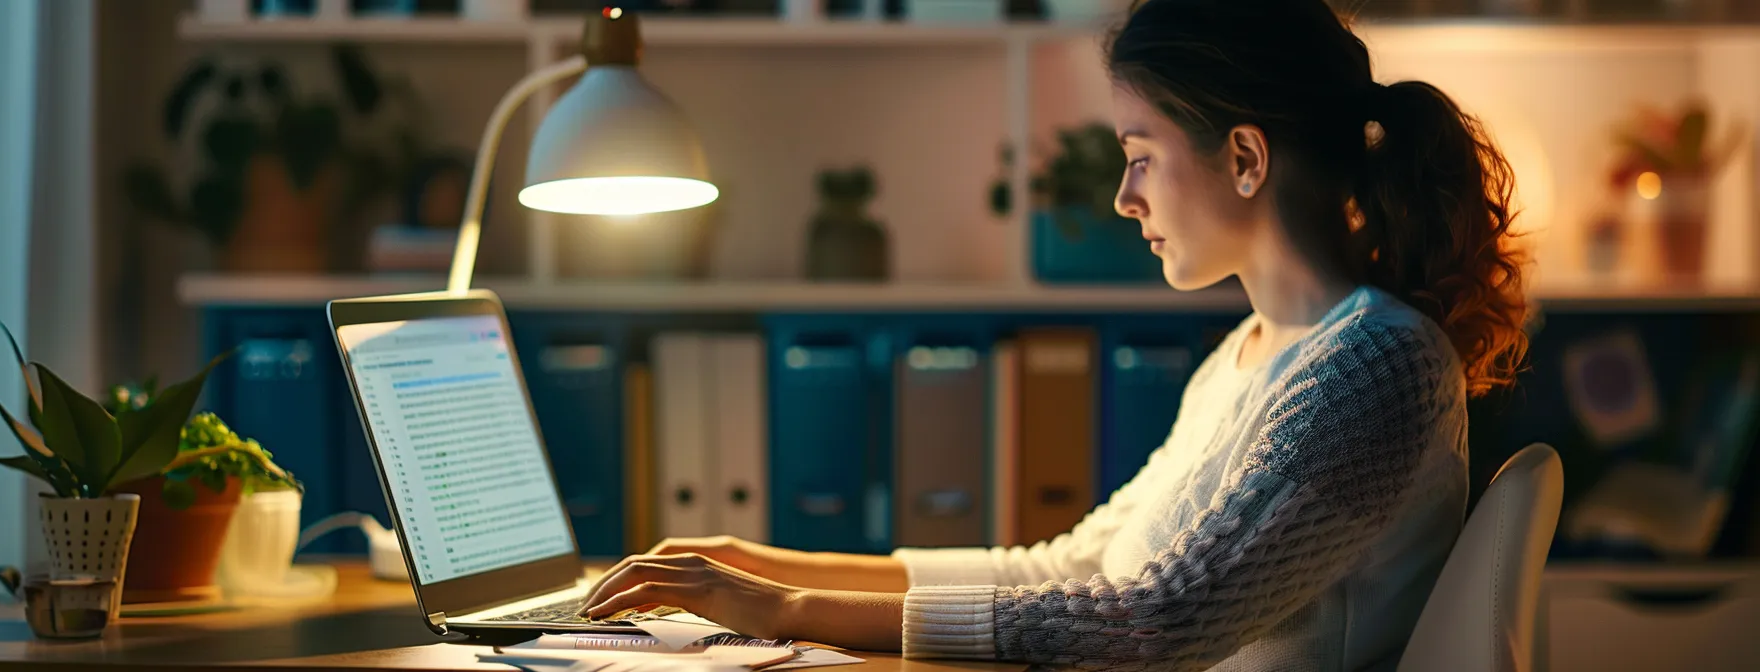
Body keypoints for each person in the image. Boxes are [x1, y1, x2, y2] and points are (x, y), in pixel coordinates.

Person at [579, 0, 1530, 668]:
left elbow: (1158, 623)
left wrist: (789, 613)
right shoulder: (1253, 356)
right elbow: (1074, 567)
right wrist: (759, 563)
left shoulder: (1374, 365)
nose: (1125, 198)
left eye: (1141, 157)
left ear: (1244, 157)